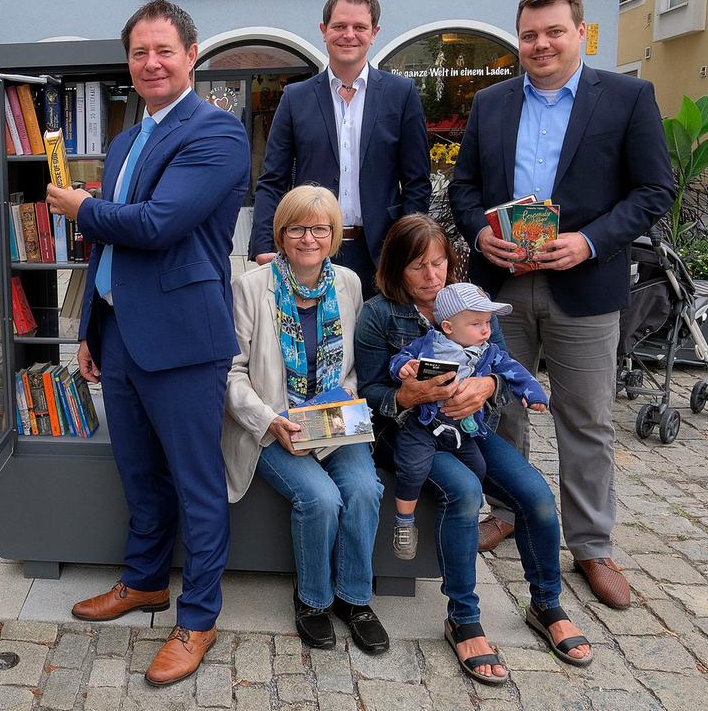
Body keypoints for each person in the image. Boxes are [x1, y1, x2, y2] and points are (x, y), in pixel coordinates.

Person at [449, 0, 674, 609]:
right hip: (502, 290)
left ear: (581, 33)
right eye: (529, 35)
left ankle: (592, 546)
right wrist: (479, 234)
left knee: (586, 418)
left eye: (553, 32)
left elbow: (656, 190)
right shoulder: (491, 104)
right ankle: (507, 510)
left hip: (585, 282)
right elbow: (462, 189)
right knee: (500, 409)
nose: (540, 45)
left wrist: (591, 241)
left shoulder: (627, 98)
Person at [46, 0, 249, 687]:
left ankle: (197, 618)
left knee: (195, 485)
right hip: (122, 335)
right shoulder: (129, 139)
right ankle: (143, 581)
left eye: (163, 50)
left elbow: (157, 224)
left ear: (191, 55)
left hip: (184, 343)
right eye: (139, 53)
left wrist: (81, 207)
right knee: (137, 475)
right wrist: (90, 329)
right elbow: (109, 243)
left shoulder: (217, 133)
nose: (151, 63)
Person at [355, 214, 593, 684]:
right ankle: (463, 617)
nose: (432, 276)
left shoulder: (472, 303)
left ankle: (545, 604)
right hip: (409, 435)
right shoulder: (379, 314)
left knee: (536, 496)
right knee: (463, 492)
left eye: (440, 263)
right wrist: (406, 396)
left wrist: (485, 387)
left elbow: (502, 368)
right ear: (395, 268)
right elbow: (366, 396)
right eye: (418, 266)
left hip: (472, 430)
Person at [222, 186, 389, 654]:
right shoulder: (251, 287)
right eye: (297, 228)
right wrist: (271, 420)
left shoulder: (350, 284)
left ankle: (355, 599)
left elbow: (355, 367)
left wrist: (340, 402)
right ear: (281, 233)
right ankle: (313, 600)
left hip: (334, 422)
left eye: (320, 229)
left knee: (363, 490)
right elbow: (231, 372)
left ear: (334, 235)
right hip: (271, 426)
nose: (308, 238)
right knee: (319, 498)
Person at [249, 0, 430, 298]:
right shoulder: (296, 98)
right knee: (314, 344)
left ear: (374, 33)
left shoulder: (401, 94)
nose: (349, 35)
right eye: (340, 26)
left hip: (381, 252)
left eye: (359, 27)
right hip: (310, 250)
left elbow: (417, 182)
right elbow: (272, 180)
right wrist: (265, 243)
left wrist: (408, 246)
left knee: (376, 344)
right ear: (323, 31)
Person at [387, 282, 549, 560]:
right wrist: (403, 368)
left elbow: (514, 370)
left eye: (487, 322)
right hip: (424, 425)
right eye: (476, 323)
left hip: (461, 430)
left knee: (479, 467)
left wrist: (534, 393)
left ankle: (465, 521)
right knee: (411, 468)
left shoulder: (487, 352)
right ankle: (404, 522)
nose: (486, 330)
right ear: (448, 327)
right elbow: (400, 358)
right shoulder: (429, 344)